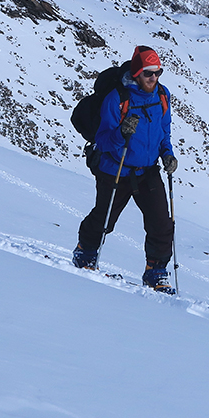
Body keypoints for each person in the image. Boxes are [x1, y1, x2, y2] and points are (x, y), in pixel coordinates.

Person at [73, 45, 179, 291]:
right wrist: (121, 133)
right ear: (137, 73)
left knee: (162, 223)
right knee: (105, 218)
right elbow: (103, 140)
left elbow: (164, 131)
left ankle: (156, 270)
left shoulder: (162, 96)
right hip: (116, 168)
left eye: (157, 72)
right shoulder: (117, 99)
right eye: (148, 73)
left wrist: (168, 155)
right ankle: (85, 251)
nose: (154, 78)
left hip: (148, 170)